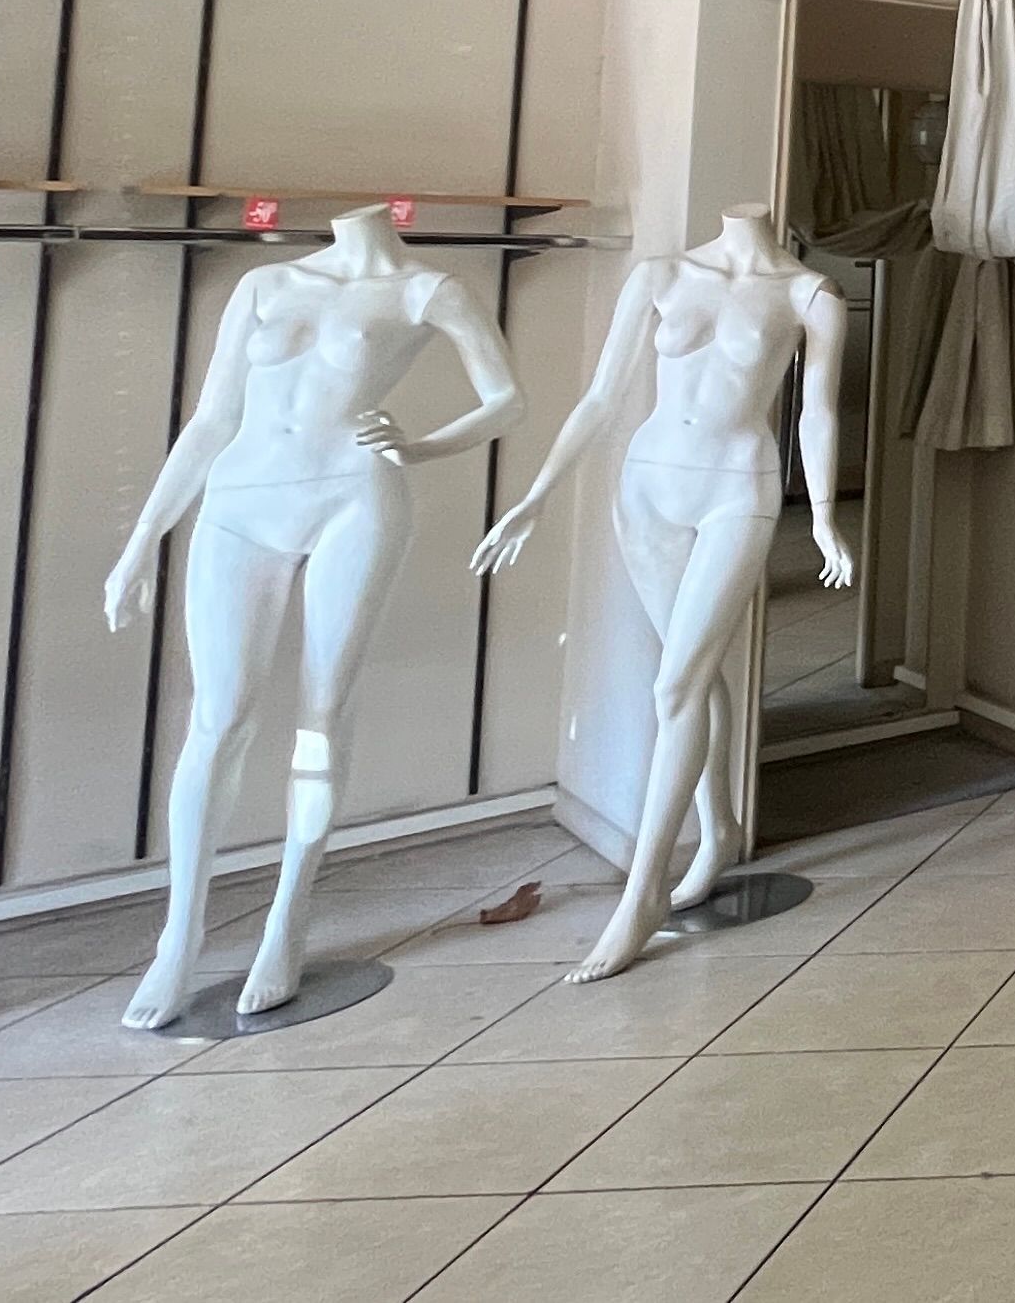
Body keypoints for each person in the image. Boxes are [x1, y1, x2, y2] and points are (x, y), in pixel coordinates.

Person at [102, 204, 521, 1029]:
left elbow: (507, 399)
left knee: (322, 716)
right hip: (239, 501)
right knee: (217, 718)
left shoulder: (428, 290)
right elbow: (213, 417)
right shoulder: (266, 284)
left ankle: (287, 917)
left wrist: (421, 446)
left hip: (352, 499)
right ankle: (178, 937)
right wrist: (143, 537)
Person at [478, 203, 846, 982]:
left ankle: (643, 892)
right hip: (646, 488)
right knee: (693, 671)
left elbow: (817, 411)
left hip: (736, 489)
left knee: (676, 683)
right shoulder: (662, 275)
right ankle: (721, 829)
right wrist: (536, 496)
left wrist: (820, 516)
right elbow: (602, 397)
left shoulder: (809, 294)